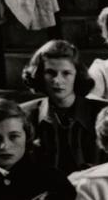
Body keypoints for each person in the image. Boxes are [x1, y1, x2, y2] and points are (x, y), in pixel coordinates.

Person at [19, 39, 102, 177]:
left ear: (77, 75)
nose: (57, 80)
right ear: (39, 75)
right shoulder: (25, 115)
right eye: (50, 73)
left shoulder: (102, 113)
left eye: (66, 73)